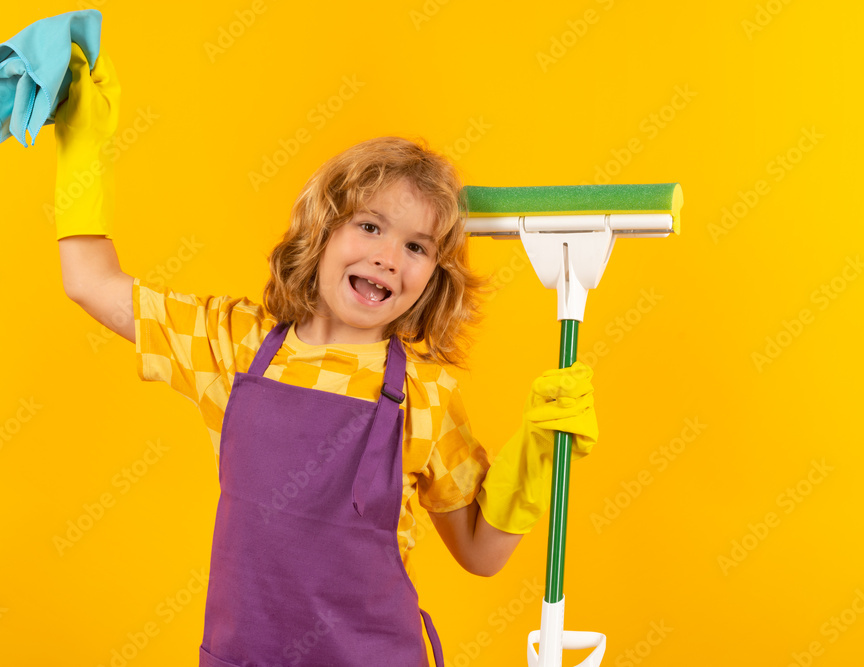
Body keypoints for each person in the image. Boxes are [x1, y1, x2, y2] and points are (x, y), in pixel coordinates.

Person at [53, 43, 598, 667]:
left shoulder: (426, 396)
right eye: (370, 226)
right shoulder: (232, 347)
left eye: (418, 246)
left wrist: (537, 454)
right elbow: (89, 282)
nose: (388, 257)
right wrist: (80, 143)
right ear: (320, 233)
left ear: (434, 276)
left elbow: (480, 553)